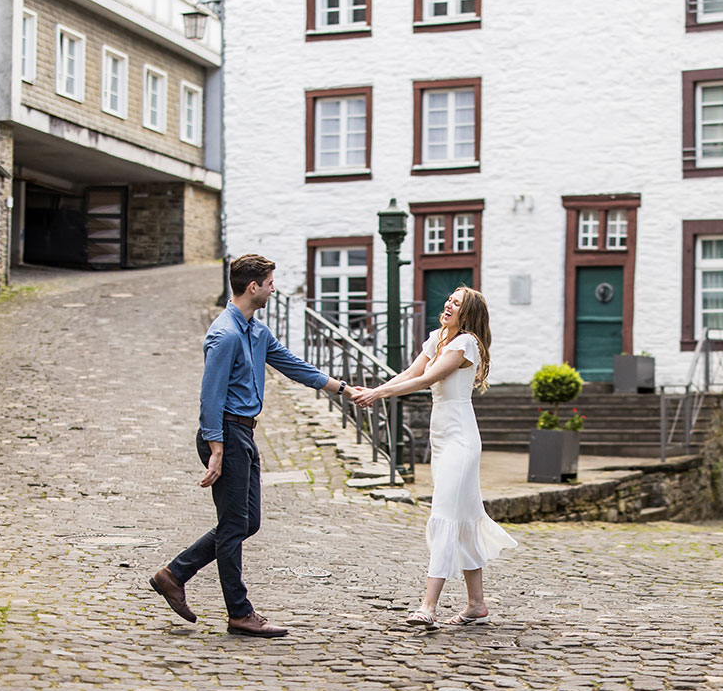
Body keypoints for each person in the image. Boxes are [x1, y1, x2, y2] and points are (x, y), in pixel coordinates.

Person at [149, 254, 357, 638]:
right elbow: (210, 396)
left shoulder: (255, 331)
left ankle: (174, 573)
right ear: (253, 287)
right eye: (270, 282)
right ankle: (239, 613)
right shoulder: (224, 333)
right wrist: (215, 448)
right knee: (232, 527)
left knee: (248, 522)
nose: (274, 288)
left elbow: (293, 365)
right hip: (226, 433)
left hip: (244, 432)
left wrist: (342, 389)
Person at [354, 286, 517, 626]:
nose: (448, 305)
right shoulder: (439, 337)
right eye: (449, 300)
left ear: (467, 314)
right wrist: (378, 389)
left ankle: (428, 606)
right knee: (465, 516)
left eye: (456, 304)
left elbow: (429, 379)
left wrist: (378, 394)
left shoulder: (465, 344)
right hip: (441, 439)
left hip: (461, 438)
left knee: (444, 514)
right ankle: (476, 605)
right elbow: (411, 373)